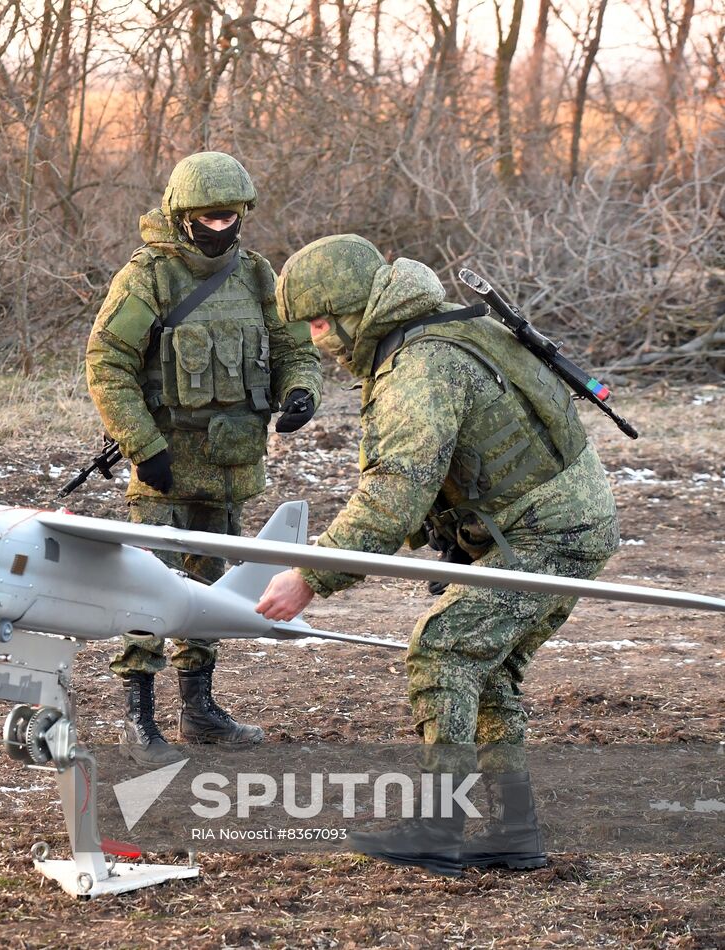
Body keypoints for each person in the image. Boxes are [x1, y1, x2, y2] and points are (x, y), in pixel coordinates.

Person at [255, 234, 620, 875]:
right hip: (568, 524)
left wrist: (310, 576)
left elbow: (395, 489)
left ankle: (437, 824)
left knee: (444, 646)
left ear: (351, 313)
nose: (316, 340)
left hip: (546, 535)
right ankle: (513, 832)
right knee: (483, 666)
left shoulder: (421, 367)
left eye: (319, 322)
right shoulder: (441, 331)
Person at [86, 152, 324, 766]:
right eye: (211, 217)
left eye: (232, 215)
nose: (225, 227)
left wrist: (302, 392)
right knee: (143, 592)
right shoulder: (149, 277)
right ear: (184, 217)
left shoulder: (255, 276)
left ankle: (200, 710)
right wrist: (145, 446)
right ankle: (138, 718)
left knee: (213, 590)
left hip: (227, 467)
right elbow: (107, 365)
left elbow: (293, 345)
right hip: (163, 470)